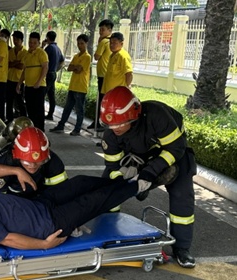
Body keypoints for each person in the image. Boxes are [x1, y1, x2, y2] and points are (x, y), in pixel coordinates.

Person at [99, 86, 196, 268]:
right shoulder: (111, 134)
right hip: (139, 155)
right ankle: (107, 233)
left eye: (119, 124)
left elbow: (175, 148)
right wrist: (121, 180)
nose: (115, 129)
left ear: (134, 116)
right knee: (107, 187)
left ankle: (182, 248)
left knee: (182, 196)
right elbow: (112, 166)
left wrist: (149, 174)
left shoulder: (157, 116)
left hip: (174, 152)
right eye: (110, 125)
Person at [0, 172, 143, 250]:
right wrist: (44, 245)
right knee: (96, 201)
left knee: (81, 182)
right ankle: (139, 185)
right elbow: (8, 240)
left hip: (41, 204)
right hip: (48, 224)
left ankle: (123, 179)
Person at [0, 127, 68, 199]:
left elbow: (61, 192)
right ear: (16, 156)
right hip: (11, 203)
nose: (33, 165)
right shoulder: (4, 162)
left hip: (41, 200)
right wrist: (17, 171)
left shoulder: (53, 162)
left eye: (39, 161)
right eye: (27, 162)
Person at [50, 34, 91, 136]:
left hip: (81, 87)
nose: (79, 45)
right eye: (78, 43)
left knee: (79, 110)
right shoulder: (76, 56)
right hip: (73, 86)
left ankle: (77, 129)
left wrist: (75, 67)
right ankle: (61, 126)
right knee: (67, 108)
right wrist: (75, 67)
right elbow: (69, 68)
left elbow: (78, 69)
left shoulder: (87, 57)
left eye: (82, 43)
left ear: (86, 44)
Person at [17, 32, 48, 131]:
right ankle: (32, 130)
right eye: (30, 42)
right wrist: (19, 84)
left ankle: (40, 131)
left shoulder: (42, 53)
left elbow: (45, 67)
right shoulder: (27, 54)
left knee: (38, 110)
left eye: (34, 43)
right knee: (30, 110)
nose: (32, 45)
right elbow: (24, 71)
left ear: (39, 43)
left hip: (39, 87)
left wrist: (39, 81)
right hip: (28, 86)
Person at [88, 19, 113, 131]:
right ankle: (99, 121)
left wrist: (99, 43)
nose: (100, 32)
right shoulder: (111, 42)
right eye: (100, 29)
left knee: (102, 100)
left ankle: (100, 122)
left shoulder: (104, 42)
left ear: (109, 30)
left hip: (103, 75)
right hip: (107, 75)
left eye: (103, 29)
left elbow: (96, 56)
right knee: (104, 100)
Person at [42, 31, 64, 121]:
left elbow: (41, 58)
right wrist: (56, 69)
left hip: (48, 73)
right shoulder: (58, 48)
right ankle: (50, 113)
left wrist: (42, 46)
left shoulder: (49, 48)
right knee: (51, 95)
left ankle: (41, 113)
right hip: (53, 73)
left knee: (42, 94)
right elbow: (62, 61)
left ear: (47, 38)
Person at [7, 31, 28, 121]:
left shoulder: (25, 52)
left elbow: (21, 66)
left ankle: (24, 119)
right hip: (9, 79)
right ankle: (9, 119)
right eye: (14, 39)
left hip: (19, 80)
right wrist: (17, 62)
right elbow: (8, 64)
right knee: (9, 102)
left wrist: (14, 63)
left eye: (17, 39)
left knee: (20, 102)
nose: (15, 41)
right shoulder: (10, 51)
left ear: (21, 40)